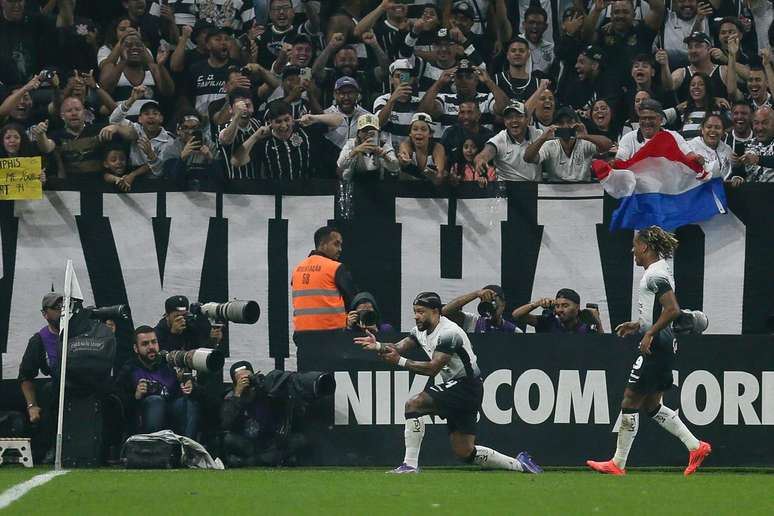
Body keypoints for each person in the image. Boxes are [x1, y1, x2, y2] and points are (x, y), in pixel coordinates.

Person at [353, 291, 542, 474]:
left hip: (466, 386)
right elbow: (399, 347)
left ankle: (409, 465)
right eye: (415, 312)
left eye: (421, 311)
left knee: (414, 404)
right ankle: (520, 464)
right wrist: (378, 345)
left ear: (435, 311)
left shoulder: (449, 333)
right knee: (465, 452)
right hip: (460, 388)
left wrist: (400, 361)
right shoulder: (421, 330)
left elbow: (432, 368)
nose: (416, 316)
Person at [587, 226, 711, 476]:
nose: (633, 250)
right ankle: (696, 446)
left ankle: (618, 463)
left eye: (635, 245)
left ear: (645, 247)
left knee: (630, 399)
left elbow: (672, 309)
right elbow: (660, 310)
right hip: (666, 344)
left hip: (658, 345)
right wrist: (639, 325)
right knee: (653, 404)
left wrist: (650, 333)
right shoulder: (660, 269)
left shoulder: (654, 274)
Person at [116, 325, 200, 438]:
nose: (151, 347)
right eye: (145, 344)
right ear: (136, 349)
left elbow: (178, 397)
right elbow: (119, 405)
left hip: (170, 419)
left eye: (154, 342)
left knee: (189, 403)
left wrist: (188, 387)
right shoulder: (130, 370)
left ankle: (188, 447)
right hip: (143, 422)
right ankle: (152, 447)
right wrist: (136, 396)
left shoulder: (167, 365)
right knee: (155, 401)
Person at [17, 292, 63, 461]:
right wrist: (32, 406)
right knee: (49, 390)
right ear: (45, 314)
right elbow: (26, 376)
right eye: (56, 308)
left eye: (64, 307)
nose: (62, 311)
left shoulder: (83, 332)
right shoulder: (39, 340)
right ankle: (52, 446)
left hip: (85, 384)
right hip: (59, 389)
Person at [291, 226, 356, 332]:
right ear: (322, 244)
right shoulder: (335, 268)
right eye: (336, 244)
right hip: (332, 335)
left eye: (340, 245)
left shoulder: (297, 269)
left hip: (302, 335)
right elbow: (353, 298)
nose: (340, 249)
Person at [524, 106, 612, 182]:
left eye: (570, 122)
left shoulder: (585, 142)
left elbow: (607, 145)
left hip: (583, 192)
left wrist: (586, 136)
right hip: (555, 193)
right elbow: (528, 158)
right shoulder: (549, 144)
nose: (566, 126)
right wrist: (542, 138)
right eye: (561, 123)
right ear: (555, 126)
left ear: (577, 123)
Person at [474, 100, 543, 181]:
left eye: (519, 116)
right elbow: (485, 153)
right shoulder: (500, 139)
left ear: (527, 119)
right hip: (506, 189)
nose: (514, 120)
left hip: (535, 188)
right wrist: (481, 160)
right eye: (509, 117)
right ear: (505, 122)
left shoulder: (538, 135)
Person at [336, 113, 399, 181]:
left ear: (378, 133)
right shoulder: (351, 144)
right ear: (358, 133)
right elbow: (341, 165)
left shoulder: (383, 144)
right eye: (364, 131)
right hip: (353, 183)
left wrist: (384, 156)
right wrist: (355, 151)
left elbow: (395, 168)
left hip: (377, 185)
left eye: (371, 131)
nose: (368, 135)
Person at [512, 288, 603, 334]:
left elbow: (604, 347)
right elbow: (517, 315)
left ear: (577, 307)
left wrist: (598, 323)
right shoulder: (548, 322)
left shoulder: (586, 328)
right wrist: (537, 304)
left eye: (565, 306)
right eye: (557, 306)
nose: (560, 310)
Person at [442, 286, 521, 334]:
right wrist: (476, 294)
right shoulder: (472, 321)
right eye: (489, 302)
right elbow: (445, 311)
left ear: (503, 304)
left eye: (494, 301)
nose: (491, 307)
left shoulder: (513, 331)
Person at [397, 112, 446, 183]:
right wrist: (404, 162)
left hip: (431, 190)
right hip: (407, 189)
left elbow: (439, 178)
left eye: (423, 129)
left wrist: (434, 174)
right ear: (410, 133)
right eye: (415, 129)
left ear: (430, 134)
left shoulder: (437, 148)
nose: (419, 132)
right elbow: (403, 159)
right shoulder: (406, 144)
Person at [689, 113, 733, 180]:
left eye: (717, 128)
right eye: (709, 127)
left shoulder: (728, 149)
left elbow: (729, 175)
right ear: (702, 130)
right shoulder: (690, 147)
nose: (713, 130)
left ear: (723, 132)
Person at [737, 106, 774, 183]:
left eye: (765, 123)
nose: (760, 128)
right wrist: (737, 177)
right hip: (751, 193)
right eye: (756, 123)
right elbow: (739, 173)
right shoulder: (744, 146)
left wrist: (758, 159)